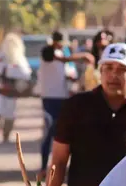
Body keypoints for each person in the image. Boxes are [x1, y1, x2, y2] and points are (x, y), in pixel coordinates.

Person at [49, 43, 126, 186]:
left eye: (122, 69)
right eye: (108, 68)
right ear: (100, 71)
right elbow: (58, 160)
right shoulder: (76, 106)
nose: (114, 74)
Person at [36, 32, 94, 177]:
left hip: (62, 98)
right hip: (49, 99)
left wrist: (69, 78)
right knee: (49, 132)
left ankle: (59, 167)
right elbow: (60, 60)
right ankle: (43, 168)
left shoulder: (61, 53)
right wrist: (82, 56)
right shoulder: (47, 52)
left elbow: (59, 69)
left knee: (62, 133)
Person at [0, 33, 32, 143]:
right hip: (1, 89)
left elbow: (26, 74)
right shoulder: (0, 56)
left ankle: (6, 136)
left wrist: (12, 73)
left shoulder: (19, 58)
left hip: (11, 90)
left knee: (9, 113)